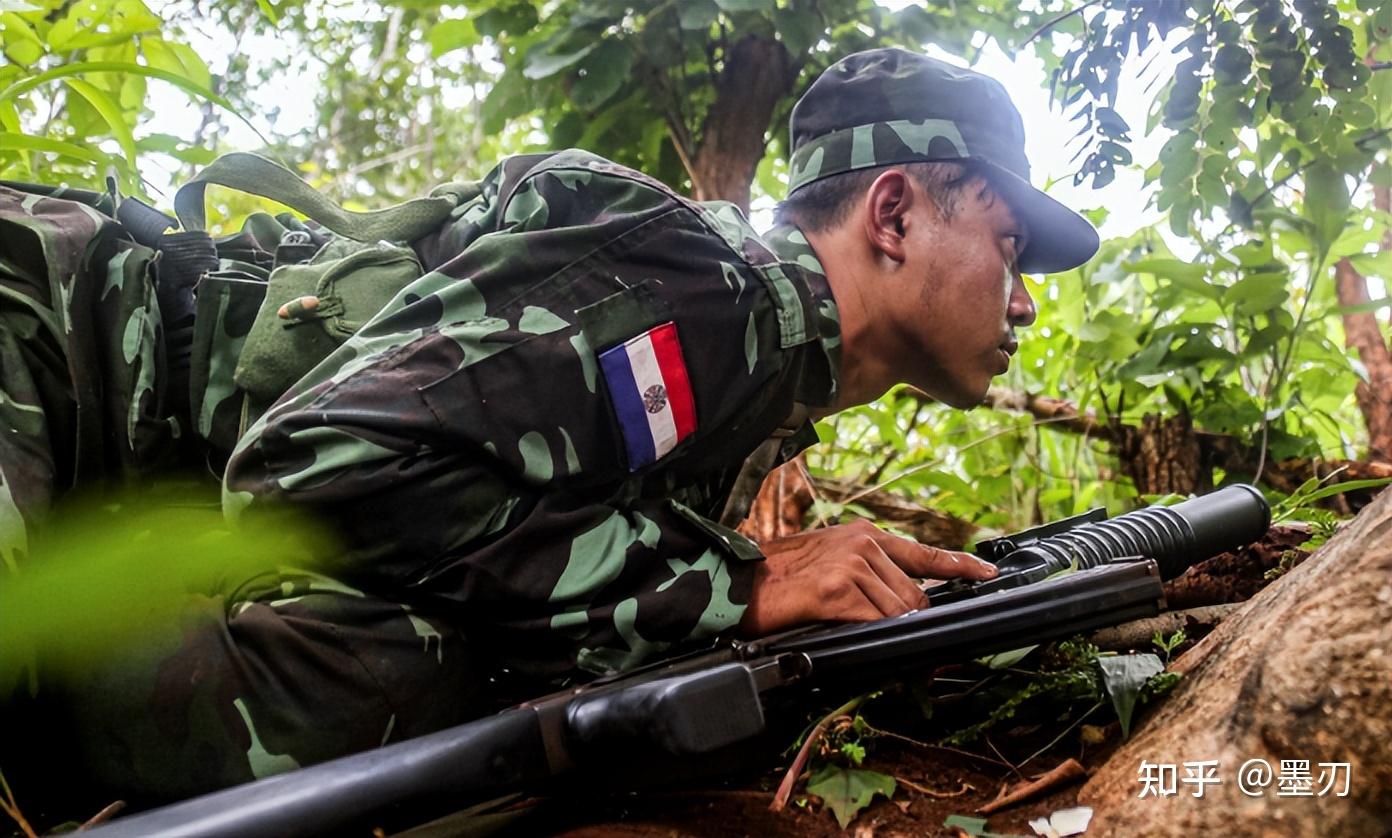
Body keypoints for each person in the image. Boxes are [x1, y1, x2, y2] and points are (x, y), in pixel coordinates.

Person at [56, 48, 1100, 800]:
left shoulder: (764, 376)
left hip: (128, 467)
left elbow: (490, 578)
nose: (1024, 302)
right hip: (53, 334)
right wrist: (737, 581)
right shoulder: (705, 288)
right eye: (1008, 247)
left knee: (426, 675)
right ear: (895, 213)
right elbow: (313, 465)